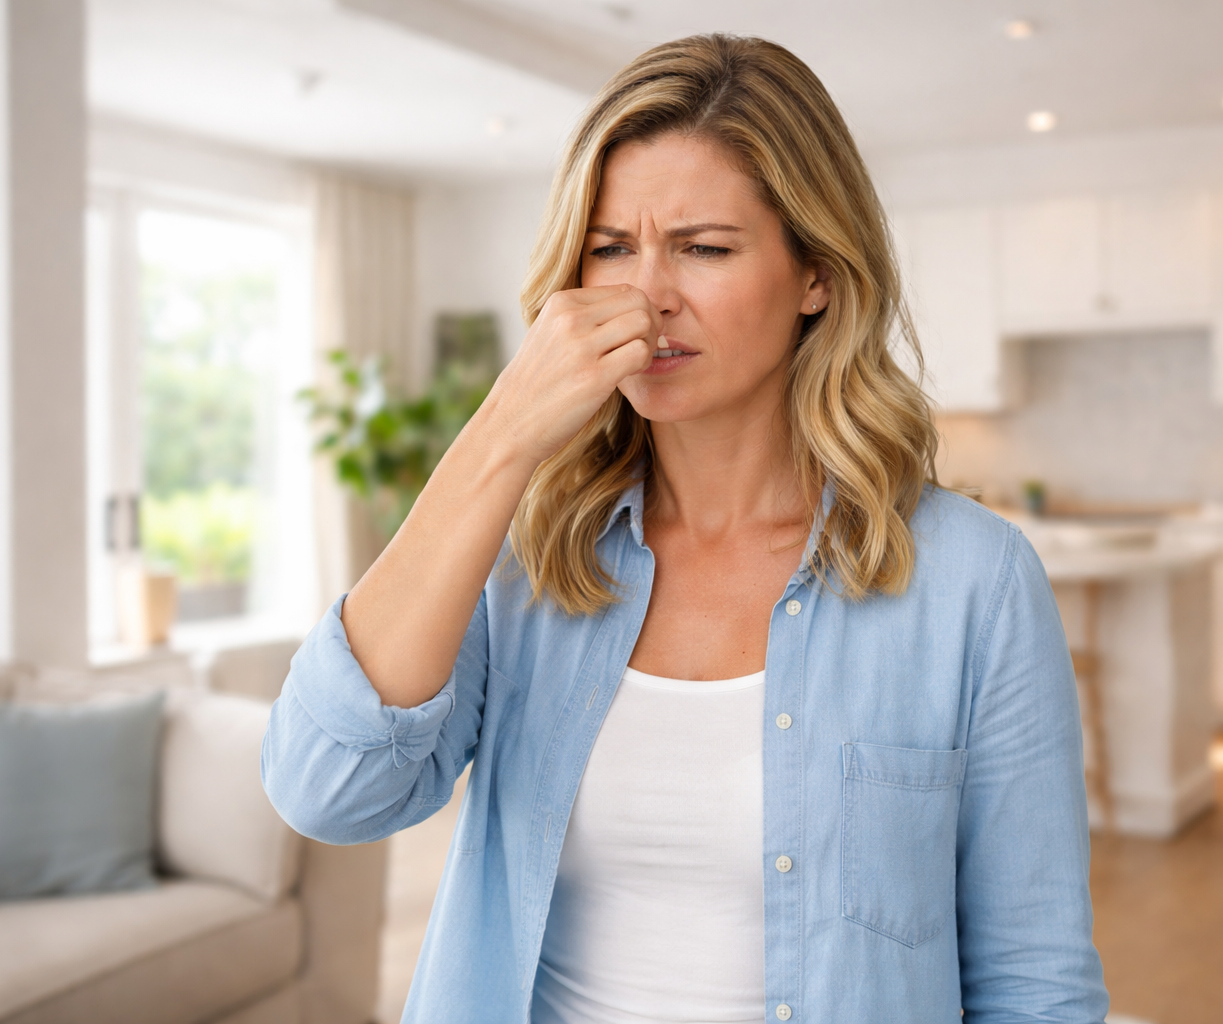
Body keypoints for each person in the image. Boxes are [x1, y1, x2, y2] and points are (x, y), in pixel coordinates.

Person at [263, 33, 1109, 1024]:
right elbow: (328, 789)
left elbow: (1034, 986)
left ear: (817, 276)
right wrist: (498, 437)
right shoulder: (529, 562)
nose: (648, 295)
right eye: (613, 247)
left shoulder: (974, 581)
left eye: (705, 248)